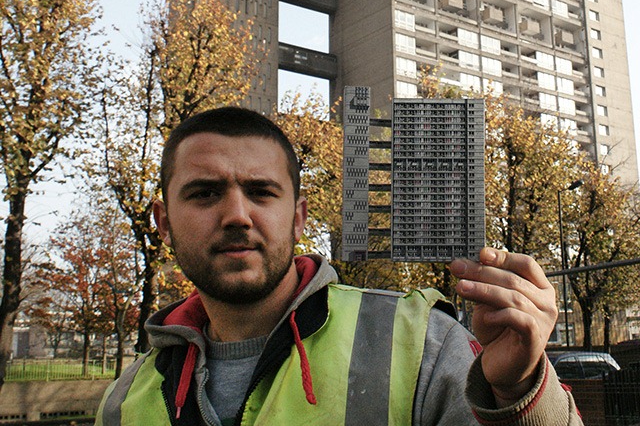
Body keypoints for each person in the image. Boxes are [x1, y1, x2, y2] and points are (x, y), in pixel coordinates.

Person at [96, 107, 581, 426]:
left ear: (299, 217)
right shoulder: (123, 404)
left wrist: (520, 393)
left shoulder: (422, 344)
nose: (237, 216)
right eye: (204, 193)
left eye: (262, 192)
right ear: (163, 221)